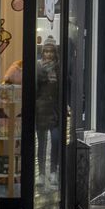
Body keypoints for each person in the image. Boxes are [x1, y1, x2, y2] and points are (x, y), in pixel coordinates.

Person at [35, 39, 62, 186]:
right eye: (46, 51)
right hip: (41, 111)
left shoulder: (58, 68)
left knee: (56, 141)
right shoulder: (38, 68)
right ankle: (41, 174)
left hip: (55, 110)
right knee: (42, 143)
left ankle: (53, 171)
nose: (48, 54)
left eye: (51, 51)